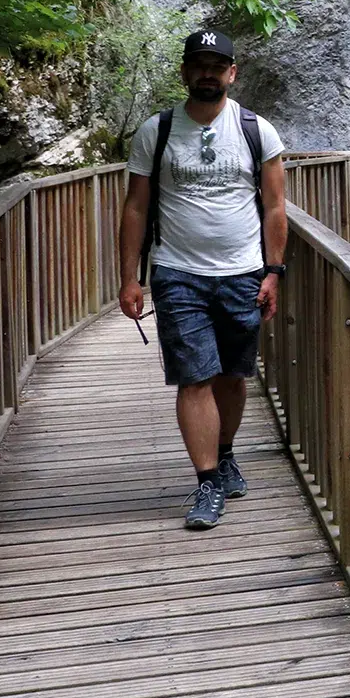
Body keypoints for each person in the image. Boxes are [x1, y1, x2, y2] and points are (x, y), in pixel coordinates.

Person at [117, 30, 287, 529]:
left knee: (233, 377)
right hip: (178, 273)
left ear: (232, 73)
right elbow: (135, 207)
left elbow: (276, 207)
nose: (208, 74)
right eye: (199, 65)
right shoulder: (158, 131)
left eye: (218, 66)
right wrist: (130, 278)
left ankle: (226, 452)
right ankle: (208, 481)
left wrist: (274, 271)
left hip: (242, 272)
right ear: (185, 72)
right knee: (194, 378)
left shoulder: (259, 131)